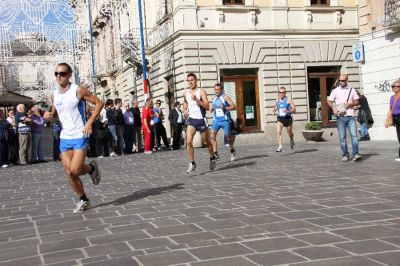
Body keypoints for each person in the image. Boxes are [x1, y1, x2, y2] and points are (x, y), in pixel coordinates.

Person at [44, 62, 103, 213]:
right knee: (69, 172)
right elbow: (55, 114)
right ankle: (83, 199)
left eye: (62, 74)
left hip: (80, 134)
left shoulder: (78, 90)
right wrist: (49, 116)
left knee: (75, 170)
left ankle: (91, 168)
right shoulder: (54, 95)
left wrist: (89, 122)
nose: (59, 76)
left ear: (70, 75)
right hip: (65, 136)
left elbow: (99, 103)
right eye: (56, 74)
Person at [183, 73, 216, 173]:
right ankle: (192, 163)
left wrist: (197, 99)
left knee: (206, 142)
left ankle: (212, 157)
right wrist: (185, 111)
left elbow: (207, 106)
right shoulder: (186, 93)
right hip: (192, 120)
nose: (190, 82)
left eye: (192, 80)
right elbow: (185, 103)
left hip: (201, 120)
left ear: (196, 80)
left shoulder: (201, 91)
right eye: (188, 80)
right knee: (188, 142)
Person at [328, 74, 362, 162]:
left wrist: (350, 104)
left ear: (347, 80)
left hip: (350, 116)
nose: (341, 82)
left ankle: (356, 154)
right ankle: (345, 154)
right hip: (340, 117)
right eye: (339, 80)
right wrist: (333, 108)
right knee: (342, 138)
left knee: (354, 136)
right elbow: (329, 101)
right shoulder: (335, 91)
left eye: (343, 80)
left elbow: (357, 101)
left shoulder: (352, 90)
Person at [209, 83, 237, 162]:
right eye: (215, 89)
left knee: (228, 138)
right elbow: (212, 107)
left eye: (218, 89)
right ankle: (215, 153)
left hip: (225, 120)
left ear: (221, 90)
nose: (216, 91)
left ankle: (232, 151)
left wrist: (225, 107)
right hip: (216, 120)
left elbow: (234, 106)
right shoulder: (213, 98)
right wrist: (211, 109)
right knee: (212, 136)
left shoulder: (225, 97)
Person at [273, 87, 296, 152]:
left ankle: (291, 138)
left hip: (288, 118)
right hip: (280, 118)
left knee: (289, 133)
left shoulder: (288, 100)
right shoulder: (277, 100)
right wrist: (274, 110)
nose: (281, 94)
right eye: (280, 92)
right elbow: (276, 106)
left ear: (285, 93)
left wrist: (287, 111)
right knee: (278, 131)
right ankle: (280, 146)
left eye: (283, 92)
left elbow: (294, 109)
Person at [384, 79, 400, 162]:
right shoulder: (392, 97)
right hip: (395, 118)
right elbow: (390, 109)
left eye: (397, 86)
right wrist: (387, 120)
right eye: (393, 86)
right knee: (399, 137)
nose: (395, 88)